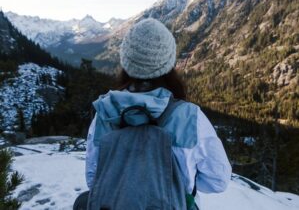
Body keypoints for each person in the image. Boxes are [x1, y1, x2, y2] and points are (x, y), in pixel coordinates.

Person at [74, 18, 232, 210]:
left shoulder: (104, 113)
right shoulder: (190, 117)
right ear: (168, 63)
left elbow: (93, 180)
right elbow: (218, 181)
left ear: (126, 62)